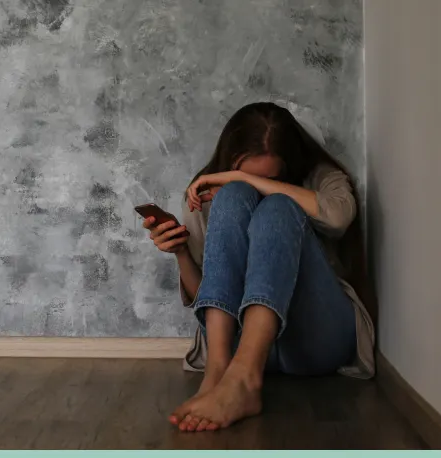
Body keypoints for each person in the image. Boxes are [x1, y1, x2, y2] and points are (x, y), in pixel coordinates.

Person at [142, 102, 376, 433]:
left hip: (316, 340)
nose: (253, 183)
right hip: (235, 342)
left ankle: (244, 380)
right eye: (245, 171)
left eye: (270, 177)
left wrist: (241, 179)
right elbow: (206, 294)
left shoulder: (321, 177)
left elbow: (338, 217)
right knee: (234, 197)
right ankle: (218, 373)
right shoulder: (207, 194)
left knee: (278, 206)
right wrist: (181, 253)